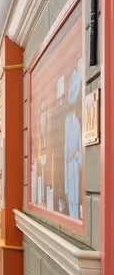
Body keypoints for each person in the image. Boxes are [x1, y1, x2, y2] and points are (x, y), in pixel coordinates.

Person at [64, 58, 83, 220]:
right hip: (70, 167)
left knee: (75, 198)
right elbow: (65, 153)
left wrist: (76, 153)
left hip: (75, 167)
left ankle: (75, 215)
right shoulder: (69, 121)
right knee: (71, 194)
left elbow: (79, 152)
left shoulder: (77, 122)